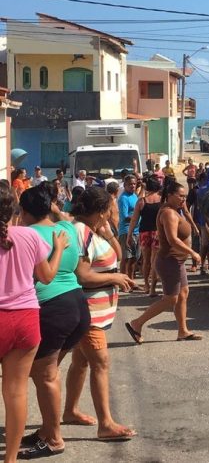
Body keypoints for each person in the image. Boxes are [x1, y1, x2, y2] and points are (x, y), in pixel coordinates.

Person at [19, 185, 90, 459]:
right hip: (76, 304)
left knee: (45, 376)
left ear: (24, 212)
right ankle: (47, 430)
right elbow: (65, 217)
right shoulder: (69, 229)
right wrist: (55, 208)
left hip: (51, 308)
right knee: (46, 373)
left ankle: (54, 439)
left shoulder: (28, 234)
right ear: (50, 206)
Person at [62, 187, 137, 442]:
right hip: (88, 311)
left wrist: (107, 233)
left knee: (81, 362)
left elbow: (117, 255)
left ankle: (70, 410)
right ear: (102, 210)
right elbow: (82, 275)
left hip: (98, 311)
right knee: (101, 363)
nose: (114, 213)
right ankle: (105, 423)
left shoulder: (93, 231)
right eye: (111, 209)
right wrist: (114, 277)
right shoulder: (81, 233)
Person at [1, 186, 68, 463]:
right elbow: (47, 276)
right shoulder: (29, 236)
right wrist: (59, 248)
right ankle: (11, 459)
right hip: (25, 319)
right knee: (16, 391)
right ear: (14, 209)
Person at [125, 182, 202, 344]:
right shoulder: (168, 213)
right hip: (169, 261)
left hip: (177, 261)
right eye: (180, 196)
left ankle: (183, 331)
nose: (183, 199)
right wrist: (192, 252)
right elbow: (172, 239)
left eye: (185, 196)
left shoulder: (175, 210)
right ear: (170, 195)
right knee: (170, 299)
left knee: (183, 293)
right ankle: (137, 323)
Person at [127, 176, 163, 295]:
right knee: (155, 261)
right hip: (158, 232)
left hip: (144, 232)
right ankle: (153, 288)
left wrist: (129, 234)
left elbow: (134, 220)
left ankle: (146, 285)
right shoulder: (162, 200)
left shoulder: (141, 201)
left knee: (146, 260)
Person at [117, 175, 139, 279]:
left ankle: (131, 280)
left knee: (134, 258)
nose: (132, 186)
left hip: (137, 230)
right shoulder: (123, 198)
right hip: (126, 231)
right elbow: (125, 216)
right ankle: (123, 282)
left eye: (134, 184)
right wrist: (137, 216)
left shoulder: (135, 196)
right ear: (125, 185)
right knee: (126, 258)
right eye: (130, 184)